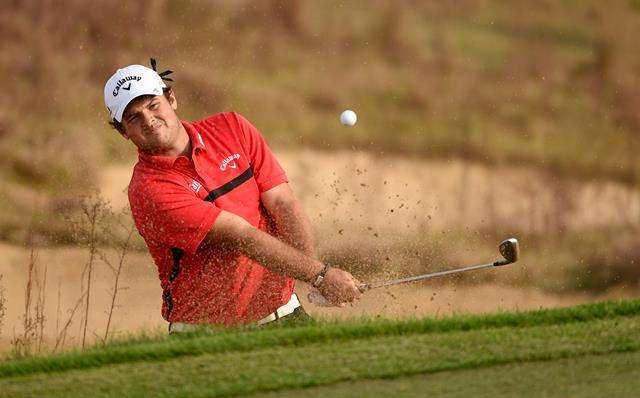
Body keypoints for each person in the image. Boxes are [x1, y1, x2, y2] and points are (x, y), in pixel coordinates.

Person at [103, 60, 362, 332]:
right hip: (208, 335)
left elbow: (282, 203)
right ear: (123, 131)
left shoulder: (231, 128)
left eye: (153, 105)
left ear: (171, 99)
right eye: (133, 117)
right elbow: (241, 236)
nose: (149, 120)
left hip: (284, 314)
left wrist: (313, 273)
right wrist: (320, 276)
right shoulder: (149, 190)